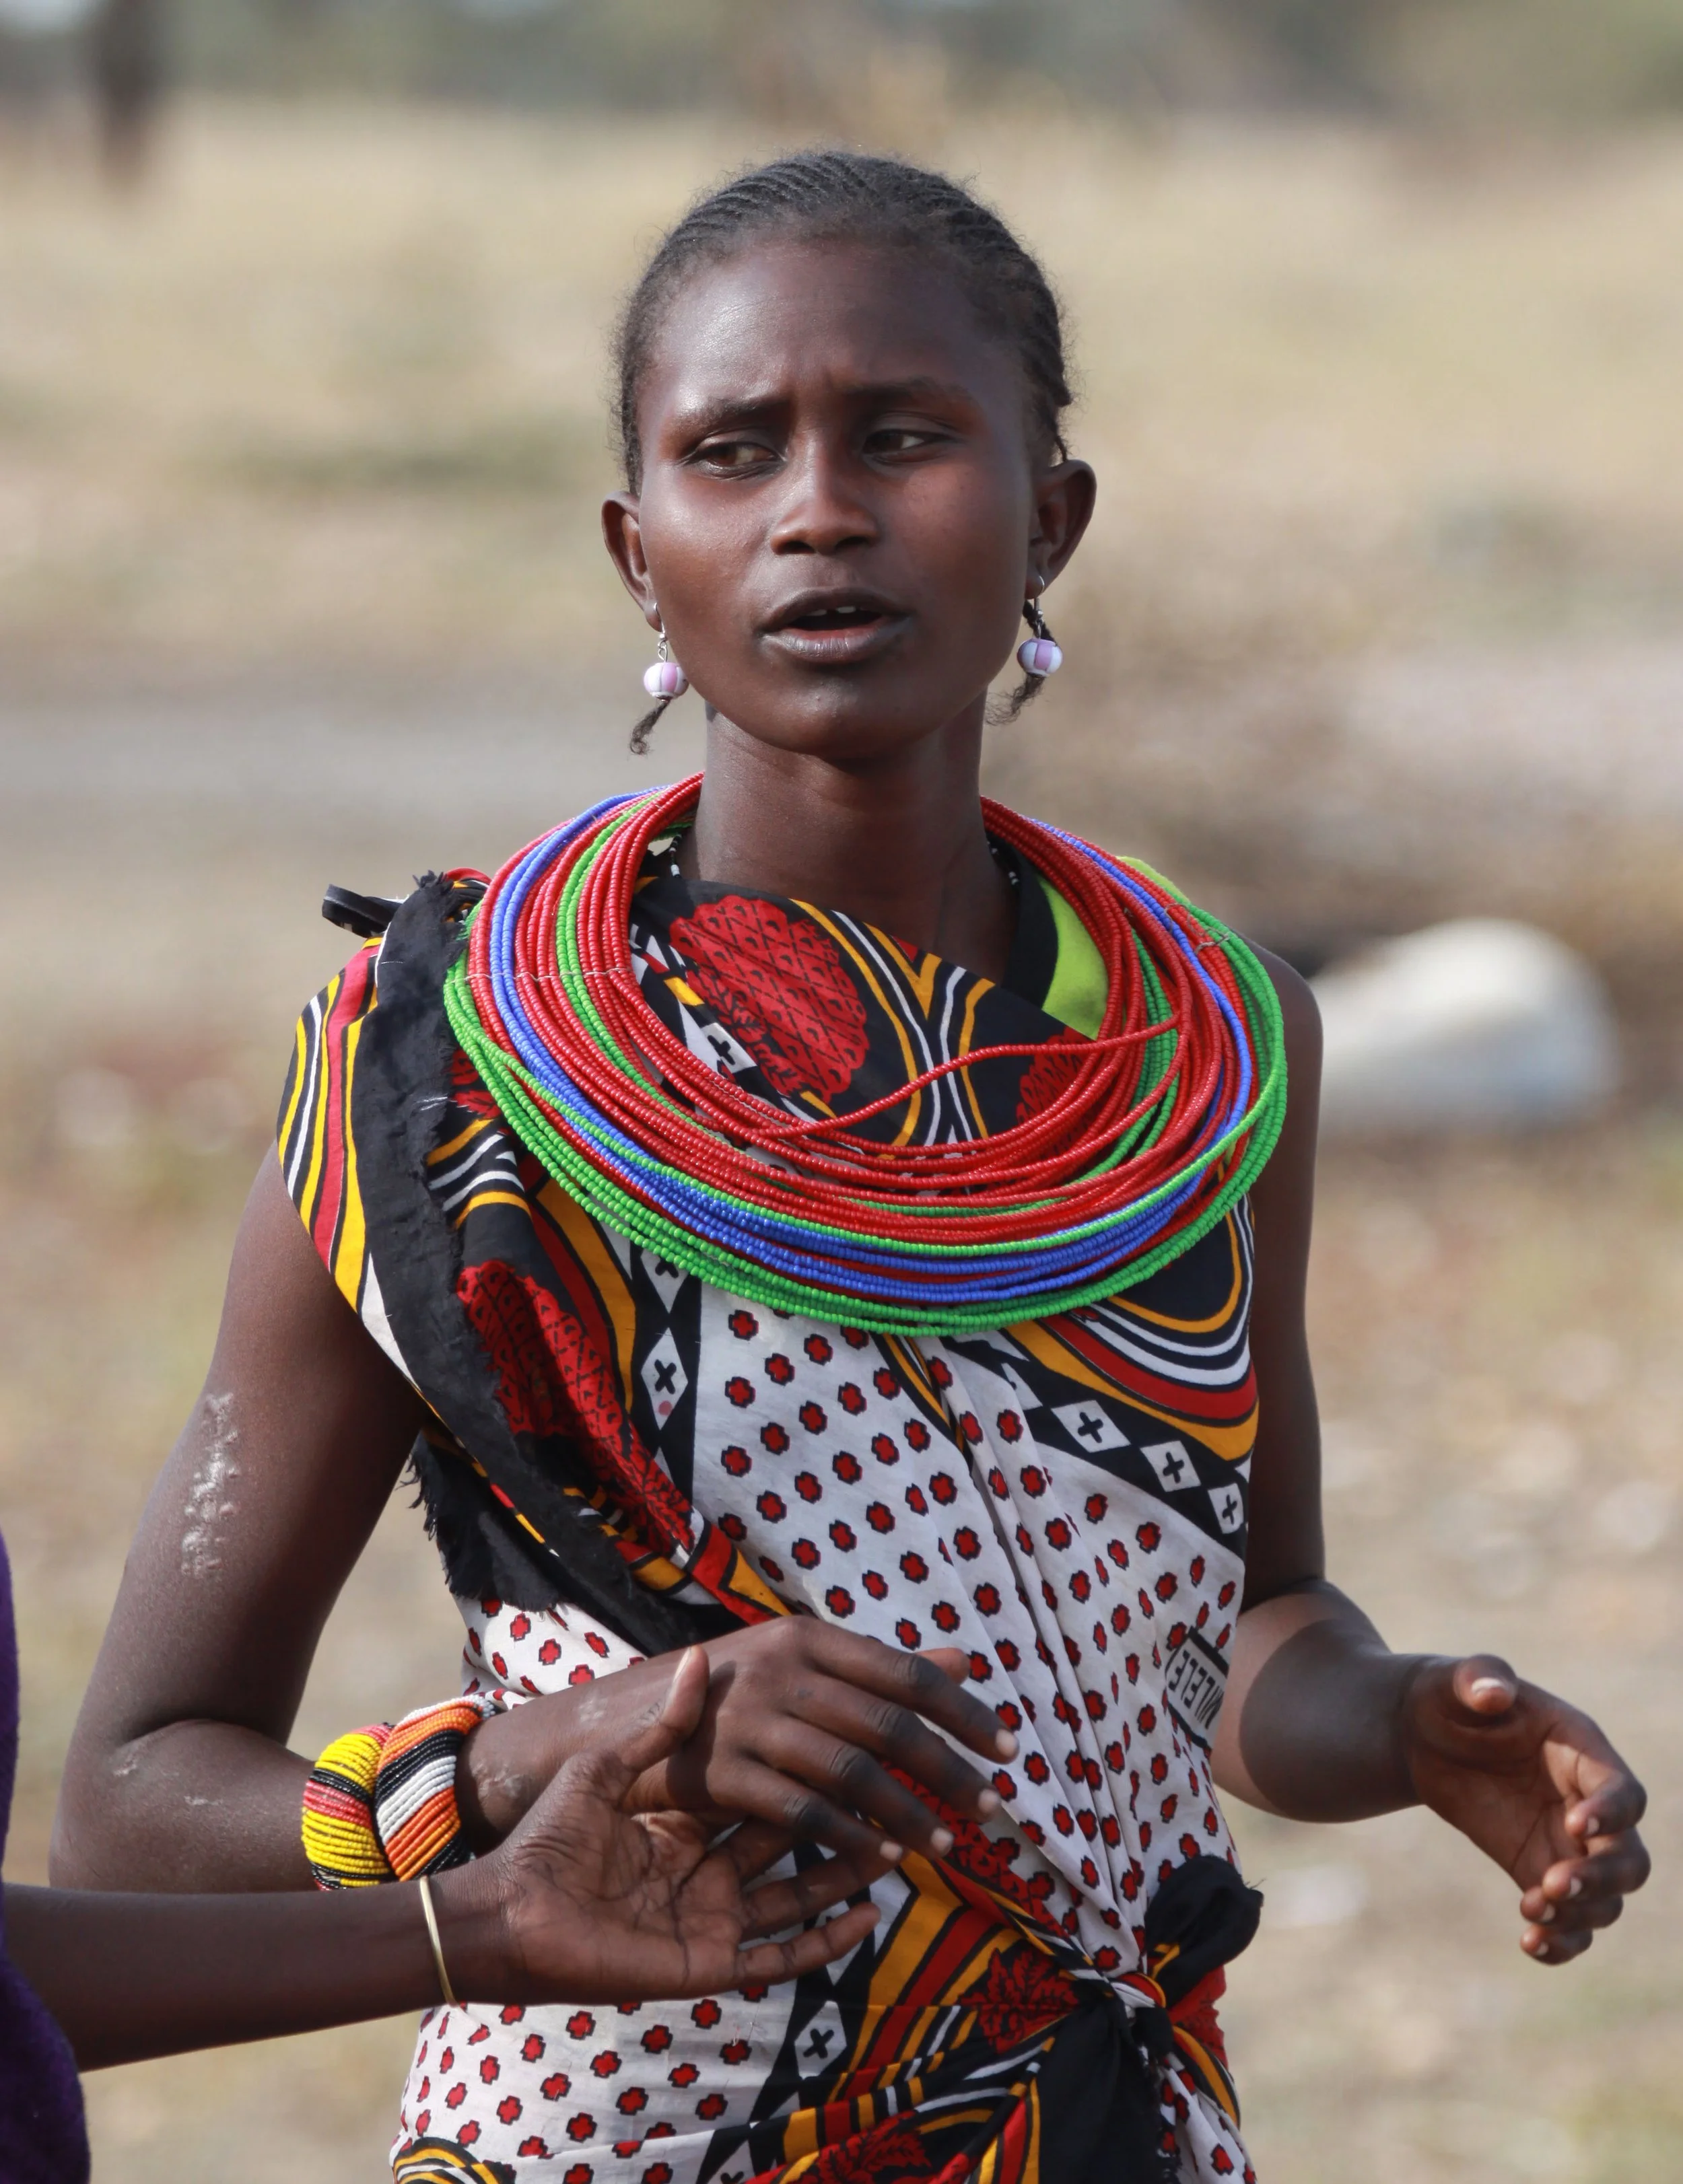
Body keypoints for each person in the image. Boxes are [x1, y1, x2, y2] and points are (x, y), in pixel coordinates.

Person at [55, 153, 1649, 2184]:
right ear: (641, 553)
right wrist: (564, 1743)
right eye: (735, 452)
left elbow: (1237, 1631)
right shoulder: (439, 1081)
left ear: (1049, 516)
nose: (819, 507)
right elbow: (131, 1807)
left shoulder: (1213, 1052)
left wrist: (1407, 1722)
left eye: (903, 436)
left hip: (1101, 2129)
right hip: (610, 2140)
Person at [1, 1522, 877, 2184]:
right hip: (632, 2116)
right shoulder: (415, 1274)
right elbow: (120, 1830)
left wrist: (483, 1924)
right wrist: (526, 1758)